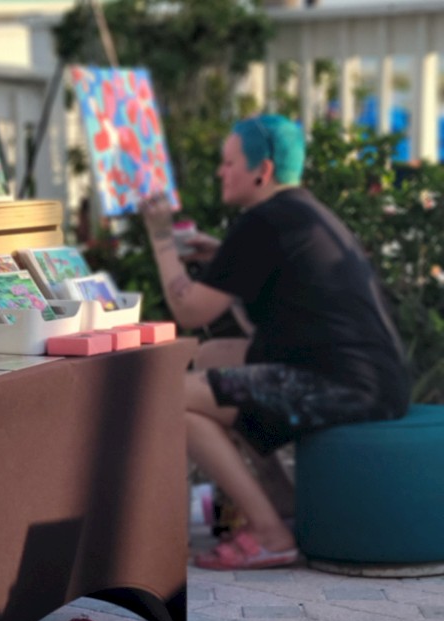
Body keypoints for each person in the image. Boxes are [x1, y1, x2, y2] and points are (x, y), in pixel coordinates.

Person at [140, 114, 410, 570]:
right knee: (210, 355)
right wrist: (222, 256)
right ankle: (282, 502)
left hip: (342, 384)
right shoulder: (300, 211)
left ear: (261, 170)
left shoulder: (262, 221)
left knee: (173, 401)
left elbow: (188, 309)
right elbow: (259, 315)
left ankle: (271, 533)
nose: (220, 172)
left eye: (228, 163)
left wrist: (161, 237)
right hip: (371, 378)